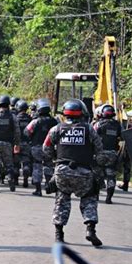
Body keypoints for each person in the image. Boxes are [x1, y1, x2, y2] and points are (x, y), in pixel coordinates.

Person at [43, 99, 104, 246]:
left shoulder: (56, 129)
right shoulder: (89, 129)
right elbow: (99, 148)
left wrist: (56, 161)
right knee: (89, 198)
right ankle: (90, 230)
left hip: (62, 172)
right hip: (84, 172)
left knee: (61, 200)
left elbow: (46, 148)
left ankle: (59, 234)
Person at [25, 98, 58, 196]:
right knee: (48, 166)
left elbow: (26, 132)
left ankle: (38, 190)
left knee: (37, 166)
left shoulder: (35, 121)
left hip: (37, 147)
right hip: (50, 148)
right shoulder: (54, 121)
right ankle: (48, 187)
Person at [92, 104, 123, 204]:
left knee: (97, 175)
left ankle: (96, 196)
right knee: (111, 176)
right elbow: (122, 137)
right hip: (112, 154)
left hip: (100, 153)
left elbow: (92, 137)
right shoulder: (118, 125)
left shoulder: (98, 124)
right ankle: (109, 198)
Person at [15, 100, 33, 188]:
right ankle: (25, 177)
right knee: (26, 161)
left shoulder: (15, 118)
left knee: (16, 161)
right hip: (27, 143)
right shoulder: (30, 118)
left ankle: (16, 180)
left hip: (17, 143)